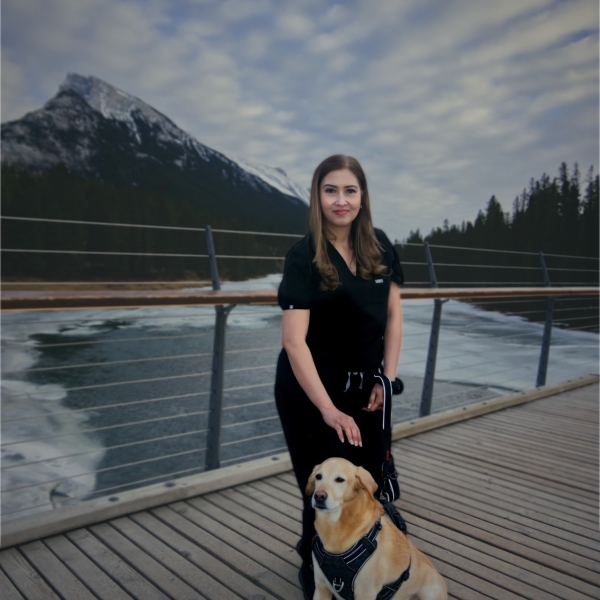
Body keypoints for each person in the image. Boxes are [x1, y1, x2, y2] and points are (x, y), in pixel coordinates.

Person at [274, 154, 404, 599]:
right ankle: (317, 577)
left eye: (350, 190)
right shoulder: (303, 257)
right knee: (324, 491)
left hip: (364, 391)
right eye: (331, 190)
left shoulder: (382, 247)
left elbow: (394, 318)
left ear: (363, 196)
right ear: (317, 196)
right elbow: (294, 343)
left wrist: (385, 382)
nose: (341, 200)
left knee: (364, 486)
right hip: (312, 393)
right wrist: (328, 410)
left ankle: (365, 566)